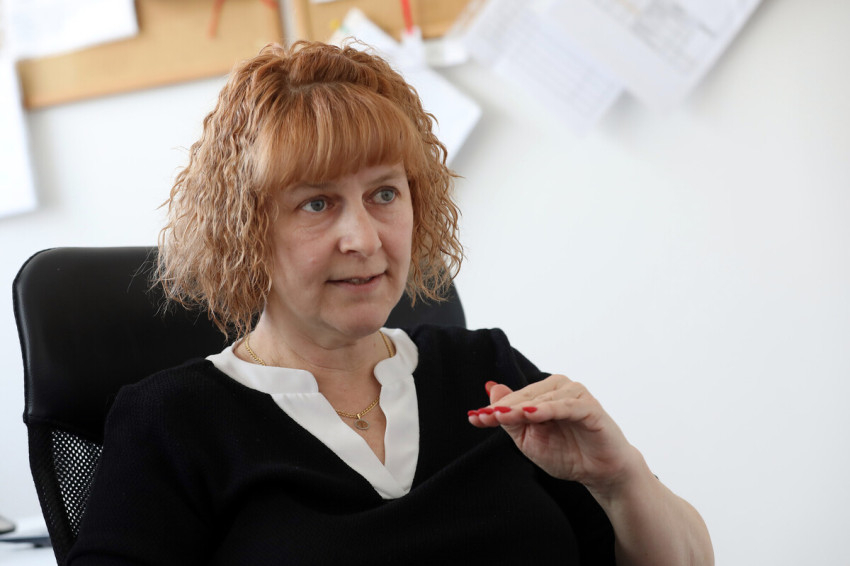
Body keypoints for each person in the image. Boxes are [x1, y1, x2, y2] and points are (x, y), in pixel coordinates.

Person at [67, 41, 713, 565]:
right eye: (317, 203)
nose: (365, 239)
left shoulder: (487, 371)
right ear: (247, 231)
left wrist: (619, 479)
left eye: (384, 194)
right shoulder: (173, 423)